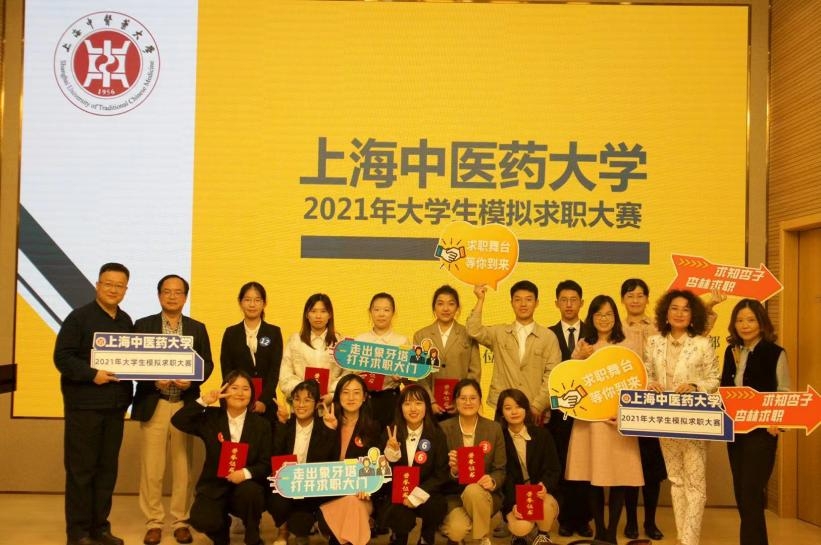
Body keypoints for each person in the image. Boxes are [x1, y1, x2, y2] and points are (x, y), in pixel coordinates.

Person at [54, 262, 133, 545]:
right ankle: (78, 533)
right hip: (84, 407)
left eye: (119, 285)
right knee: (81, 471)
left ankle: (100, 528)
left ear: (126, 289)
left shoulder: (125, 321)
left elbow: (131, 362)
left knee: (106, 471)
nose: (113, 289)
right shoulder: (79, 318)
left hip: (115, 407)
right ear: (98, 285)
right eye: (108, 284)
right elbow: (62, 357)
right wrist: (92, 374)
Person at [132, 274, 215, 545]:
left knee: (183, 467)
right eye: (166, 291)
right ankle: (154, 522)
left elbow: (207, 364)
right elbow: (132, 361)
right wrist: (151, 379)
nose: (172, 296)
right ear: (159, 295)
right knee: (152, 468)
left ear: (185, 297)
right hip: (154, 403)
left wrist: (192, 380)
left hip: (183, 406)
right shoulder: (143, 325)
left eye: (178, 292)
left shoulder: (197, 328)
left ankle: (180, 520)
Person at [566, 295, 644, 544]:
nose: (604, 319)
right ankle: (600, 530)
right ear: (591, 318)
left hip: (617, 421)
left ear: (615, 317)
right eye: (598, 314)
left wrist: (624, 413)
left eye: (608, 314)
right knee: (594, 476)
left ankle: (611, 533)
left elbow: (637, 379)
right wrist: (579, 357)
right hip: (590, 423)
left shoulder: (628, 344)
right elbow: (569, 379)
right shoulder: (583, 344)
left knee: (619, 476)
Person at [644, 289, 719, 545]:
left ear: (693, 314)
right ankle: (682, 537)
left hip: (694, 421)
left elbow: (714, 379)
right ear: (665, 313)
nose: (679, 313)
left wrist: (696, 385)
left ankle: (689, 540)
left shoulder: (702, 343)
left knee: (696, 485)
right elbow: (646, 373)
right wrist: (650, 383)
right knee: (676, 481)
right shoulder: (653, 342)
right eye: (674, 308)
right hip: (665, 420)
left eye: (685, 309)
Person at [171, 370, 272, 545]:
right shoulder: (212, 417)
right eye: (234, 388)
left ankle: (252, 534)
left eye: (246, 389)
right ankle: (221, 531)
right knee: (201, 519)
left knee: (252, 493)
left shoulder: (261, 425)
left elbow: (265, 464)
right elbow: (178, 421)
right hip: (214, 484)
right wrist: (204, 401)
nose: (240, 393)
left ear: (252, 394)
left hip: (245, 487)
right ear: (225, 391)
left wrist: (245, 473)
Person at [721, 299, 790, 545]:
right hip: (735, 430)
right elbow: (725, 389)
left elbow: (783, 391)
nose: (745, 325)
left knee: (751, 491)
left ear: (761, 323)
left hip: (762, 433)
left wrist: (776, 420)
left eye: (750, 320)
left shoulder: (775, 353)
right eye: (740, 320)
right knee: (741, 492)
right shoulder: (731, 351)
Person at [466, 280, 561, 416]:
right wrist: (480, 300)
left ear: (536, 303)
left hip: (534, 411)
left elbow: (552, 375)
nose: (523, 304)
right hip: (503, 408)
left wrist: (537, 406)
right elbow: (473, 330)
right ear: (511, 303)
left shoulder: (548, 337)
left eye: (528, 299)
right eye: (518, 300)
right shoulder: (500, 333)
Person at [546, 280, 594, 539]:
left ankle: (584, 518)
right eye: (563, 300)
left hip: (588, 412)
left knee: (586, 467)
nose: (568, 304)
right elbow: (550, 374)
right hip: (558, 414)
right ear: (556, 303)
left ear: (581, 303)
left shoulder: (594, 333)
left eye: (573, 299)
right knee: (563, 464)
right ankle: (564, 518)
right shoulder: (547, 334)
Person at [619, 278, 666, 541]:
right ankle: (631, 522)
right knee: (629, 466)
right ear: (622, 300)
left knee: (652, 469)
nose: (635, 300)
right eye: (630, 295)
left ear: (648, 299)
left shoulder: (661, 327)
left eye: (640, 295)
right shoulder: (617, 329)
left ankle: (650, 521)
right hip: (627, 405)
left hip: (655, 406)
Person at [269, 380, 337, 545]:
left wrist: (330, 431)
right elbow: (275, 455)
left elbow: (327, 461)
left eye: (307, 400)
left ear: (316, 404)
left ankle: (304, 528)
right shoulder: (287, 424)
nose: (301, 405)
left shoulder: (323, 426)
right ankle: (283, 530)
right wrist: (281, 423)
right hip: (286, 485)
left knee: (301, 523)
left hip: (311, 487)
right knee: (276, 500)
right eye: (297, 399)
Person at [318, 374, 383, 545]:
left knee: (354, 503)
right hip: (331, 492)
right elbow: (319, 462)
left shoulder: (373, 428)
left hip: (361, 494)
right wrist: (330, 430)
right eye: (346, 392)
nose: (351, 397)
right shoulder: (326, 423)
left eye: (356, 392)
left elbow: (376, 465)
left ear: (364, 397)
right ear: (338, 396)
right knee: (351, 507)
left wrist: (367, 487)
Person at [380, 384, 449, 545]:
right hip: (398, 491)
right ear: (400, 407)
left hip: (426, 490)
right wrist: (391, 453)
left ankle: (426, 536)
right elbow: (383, 472)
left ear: (427, 406)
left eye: (418, 403)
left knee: (435, 506)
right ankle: (398, 537)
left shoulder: (436, 434)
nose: (413, 409)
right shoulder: (391, 432)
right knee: (398, 512)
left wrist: (417, 495)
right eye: (407, 403)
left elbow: (441, 474)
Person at [440, 379, 507, 545]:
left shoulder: (494, 428)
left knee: (473, 491)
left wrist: (492, 480)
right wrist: (454, 471)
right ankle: (471, 533)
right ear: (455, 401)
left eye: (473, 398)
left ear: (480, 400)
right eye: (463, 398)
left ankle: (482, 538)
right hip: (455, 494)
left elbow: (501, 469)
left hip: (485, 494)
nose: (468, 402)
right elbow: (437, 472)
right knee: (456, 530)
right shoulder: (443, 428)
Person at [495, 388, 561, 545]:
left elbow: (554, 469)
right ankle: (519, 534)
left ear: (526, 408)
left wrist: (545, 486)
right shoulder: (499, 439)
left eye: (518, 406)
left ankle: (542, 534)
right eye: (508, 408)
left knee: (545, 507)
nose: (514, 412)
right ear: (501, 413)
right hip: (515, 497)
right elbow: (503, 478)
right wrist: (513, 504)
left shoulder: (542, 435)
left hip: (540, 494)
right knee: (520, 527)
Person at [220, 281, 283, 427]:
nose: (252, 305)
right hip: (237, 402)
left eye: (257, 300)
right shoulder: (231, 333)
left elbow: (274, 371)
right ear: (240, 302)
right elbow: (227, 370)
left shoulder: (273, 332)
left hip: (266, 405)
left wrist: (263, 401)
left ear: (264, 303)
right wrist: (238, 396)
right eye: (247, 300)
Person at [415, 285, 481, 420]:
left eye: (451, 304)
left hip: (461, 406)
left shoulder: (468, 334)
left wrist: (462, 400)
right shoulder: (421, 336)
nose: (445, 309)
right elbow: (419, 374)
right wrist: (430, 401)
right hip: (430, 407)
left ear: (457, 308)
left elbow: (474, 371)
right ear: (434, 307)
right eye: (440, 304)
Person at [278, 293, 345, 406]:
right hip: (301, 405)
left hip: (331, 406)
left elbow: (346, 375)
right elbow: (285, 374)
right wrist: (304, 392)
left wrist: (332, 395)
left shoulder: (341, 343)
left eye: (323, 311)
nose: (318, 316)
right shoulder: (295, 340)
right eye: (313, 311)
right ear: (306, 315)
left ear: (330, 315)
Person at [355, 292, 409, 428]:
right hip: (364, 398)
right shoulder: (360, 340)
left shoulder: (402, 341)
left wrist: (402, 377)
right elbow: (351, 372)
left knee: (390, 436)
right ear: (370, 312)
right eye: (377, 309)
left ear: (393, 313)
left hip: (391, 398)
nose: (381, 314)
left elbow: (409, 378)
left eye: (386, 310)